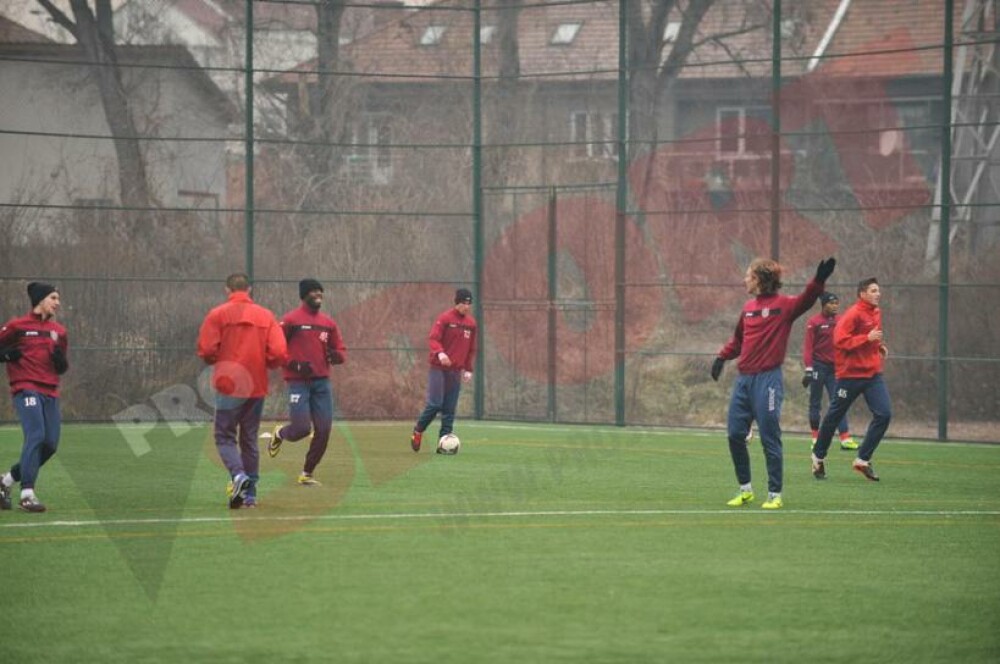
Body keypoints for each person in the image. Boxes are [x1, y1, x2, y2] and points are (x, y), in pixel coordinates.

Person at [711, 257, 836, 510]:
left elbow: (806, 300)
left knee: (770, 436)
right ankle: (745, 490)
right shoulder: (747, 308)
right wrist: (721, 357)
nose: (745, 279)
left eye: (748, 275)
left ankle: (774, 494)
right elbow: (738, 341)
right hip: (743, 381)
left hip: (768, 380)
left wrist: (819, 280)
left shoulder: (784, 306)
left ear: (758, 279)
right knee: (735, 434)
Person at [197, 273, 287, 509]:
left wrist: (218, 358)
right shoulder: (266, 315)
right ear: (249, 289)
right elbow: (278, 352)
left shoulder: (218, 314)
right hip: (256, 384)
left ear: (227, 289)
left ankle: (238, 476)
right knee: (249, 438)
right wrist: (264, 363)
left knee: (224, 436)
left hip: (229, 384)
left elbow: (206, 349)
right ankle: (250, 496)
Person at [268, 279, 347, 486]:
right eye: (313, 291)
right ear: (304, 295)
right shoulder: (290, 320)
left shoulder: (328, 323)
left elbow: (340, 351)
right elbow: (276, 349)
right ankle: (280, 433)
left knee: (324, 430)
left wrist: (335, 356)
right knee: (302, 428)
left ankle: (307, 473)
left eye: (320, 290)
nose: (318, 294)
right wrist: (294, 365)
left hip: (322, 384)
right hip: (298, 383)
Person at [811, 277, 891, 482]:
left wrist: (877, 346)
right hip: (849, 376)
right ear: (862, 294)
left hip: (872, 374)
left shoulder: (876, 312)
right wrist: (867, 339)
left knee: (884, 414)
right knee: (834, 417)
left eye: (878, 290)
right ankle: (818, 456)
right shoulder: (853, 314)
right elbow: (839, 341)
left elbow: (871, 337)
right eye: (873, 290)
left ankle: (862, 460)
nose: (878, 294)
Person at [0, 283, 69, 513]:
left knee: (50, 445)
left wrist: (61, 362)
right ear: (40, 300)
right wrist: (6, 354)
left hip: (50, 391)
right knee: (36, 435)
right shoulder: (16, 326)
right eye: (53, 297)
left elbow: (62, 366)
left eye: (58, 298)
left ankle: (6, 481)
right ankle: (27, 494)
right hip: (26, 388)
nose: (57, 302)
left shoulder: (59, 331)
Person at [410, 288, 477, 452]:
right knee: (435, 404)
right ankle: (418, 431)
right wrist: (440, 354)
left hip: (455, 371)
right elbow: (433, 338)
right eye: (463, 303)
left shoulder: (471, 324)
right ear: (456, 302)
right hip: (438, 369)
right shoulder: (445, 318)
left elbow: (471, 348)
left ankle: (443, 445)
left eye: (469, 303)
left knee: (449, 408)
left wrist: (468, 369)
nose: (466, 307)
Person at [802, 292, 856, 450]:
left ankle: (845, 438)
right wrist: (809, 369)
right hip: (819, 367)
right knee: (815, 403)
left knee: (840, 401)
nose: (835, 306)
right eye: (832, 303)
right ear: (823, 305)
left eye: (837, 303)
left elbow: (847, 341)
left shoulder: (841, 321)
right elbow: (808, 347)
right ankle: (815, 437)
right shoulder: (814, 322)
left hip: (835, 369)